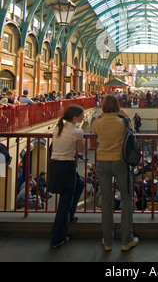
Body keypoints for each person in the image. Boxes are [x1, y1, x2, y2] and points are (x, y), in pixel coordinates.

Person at [93, 94, 139, 252]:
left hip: (102, 163)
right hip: (120, 163)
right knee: (126, 199)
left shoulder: (97, 123)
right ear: (118, 106)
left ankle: (107, 241)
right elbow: (132, 131)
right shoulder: (123, 122)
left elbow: (95, 133)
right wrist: (125, 114)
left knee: (106, 201)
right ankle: (127, 240)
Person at [48, 105, 85, 248]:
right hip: (66, 166)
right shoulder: (77, 132)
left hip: (55, 165)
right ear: (75, 118)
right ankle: (57, 238)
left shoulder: (58, 128)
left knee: (80, 185)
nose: (83, 117)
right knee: (64, 203)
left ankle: (70, 215)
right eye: (81, 115)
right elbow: (80, 149)